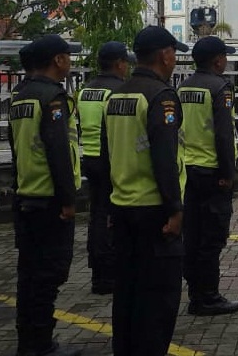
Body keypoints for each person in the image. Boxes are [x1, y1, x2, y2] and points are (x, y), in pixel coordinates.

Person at [102, 26, 188, 356]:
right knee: (158, 298)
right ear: (164, 55)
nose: (175, 59)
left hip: (122, 206)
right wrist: (175, 209)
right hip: (154, 211)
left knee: (127, 292)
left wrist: (110, 205)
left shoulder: (118, 95)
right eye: (174, 53)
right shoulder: (160, 96)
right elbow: (164, 159)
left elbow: (107, 154)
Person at [8, 34, 83, 356]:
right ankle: (40, 344)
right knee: (47, 276)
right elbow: (58, 151)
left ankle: (29, 341)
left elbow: (15, 148)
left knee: (29, 276)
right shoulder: (52, 97)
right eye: (68, 56)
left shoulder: (20, 96)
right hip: (49, 199)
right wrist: (68, 200)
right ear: (57, 60)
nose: (70, 62)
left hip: (26, 194)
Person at [178, 36, 238, 316]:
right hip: (212, 171)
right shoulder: (219, 88)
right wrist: (228, 173)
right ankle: (208, 296)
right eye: (224, 56)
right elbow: (224, 135)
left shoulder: (183, 87)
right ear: (217, 60)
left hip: (187, 169)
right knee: (212, 237)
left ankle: (195, 292)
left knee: (192, 234)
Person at [76, 41, 133, 295]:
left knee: (97, 215)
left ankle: (98, 271)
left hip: (90, 157)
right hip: (112, 159)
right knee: (112, 217)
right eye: (126, 62)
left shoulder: (85, 90)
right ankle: (109, 273)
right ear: (119, 63)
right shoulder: (119, 91)